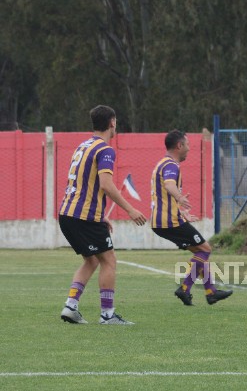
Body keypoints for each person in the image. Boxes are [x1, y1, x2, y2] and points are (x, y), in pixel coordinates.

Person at [59, 105, 147, 325]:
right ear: (112, 123)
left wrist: (100, 214)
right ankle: (107, 315)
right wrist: (130, 209)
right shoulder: (105, 150)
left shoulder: (83, 146)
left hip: (67, 214)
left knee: (91, 260)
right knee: (109, 260)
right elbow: (106, 185)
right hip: (83, 216)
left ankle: (71, 306)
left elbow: (83, 183)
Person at [151, 129, 232, 306]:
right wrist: (180, 198)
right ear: (179, 146)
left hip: (162, 221)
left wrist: (180, 211)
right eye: (187, 145)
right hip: (169, 222)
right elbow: (169, 185)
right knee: (205, 249)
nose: (189, 148)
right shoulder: (171, 165)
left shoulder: (161, 164)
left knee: (199, 252)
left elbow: (162, 195)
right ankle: (185, 288)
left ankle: (211, 292)